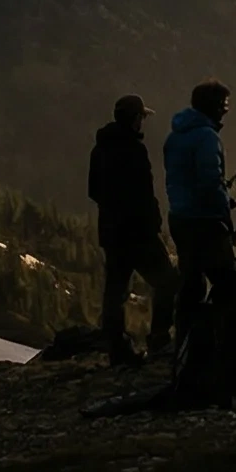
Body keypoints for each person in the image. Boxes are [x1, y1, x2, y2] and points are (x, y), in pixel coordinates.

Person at [87, 94, 177, 365]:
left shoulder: (100, 149)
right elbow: (143, 194)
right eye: (141, 118)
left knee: (115, 291)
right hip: (138, 234)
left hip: (112, 233)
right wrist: (151, 222)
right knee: (168, 281)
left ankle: (117, 348)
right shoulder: (134, 150)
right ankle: (159, 338)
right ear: (135, 119)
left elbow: (94, 191)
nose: (142, 123)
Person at [162, 80, 236, 342]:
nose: (226, 111)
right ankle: (224, 341)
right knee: (227, 283)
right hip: (205, 220)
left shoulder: (175, 137)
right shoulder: (207, 137)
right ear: (214, 107)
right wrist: (225, 213)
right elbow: (210, 182)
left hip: (180, 217)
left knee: (190, 283)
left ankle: (185, 340)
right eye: (224, 106)